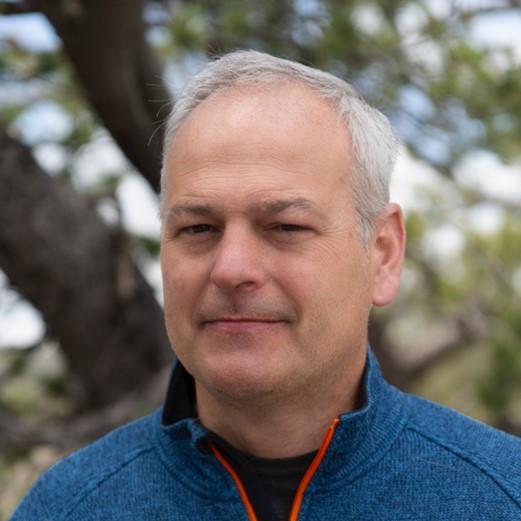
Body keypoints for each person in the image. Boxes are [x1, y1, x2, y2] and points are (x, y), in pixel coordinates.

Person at [10, 50, 521, 521]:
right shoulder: (69, 507)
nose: (231, 269)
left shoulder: (499, 495)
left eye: (286, 227)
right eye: (198, 229)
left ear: (383, 254)